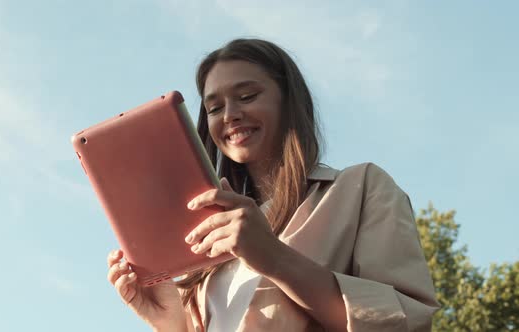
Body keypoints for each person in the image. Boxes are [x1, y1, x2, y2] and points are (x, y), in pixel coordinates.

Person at [106, 38, 440, 332]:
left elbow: (403, 323)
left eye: (247, 96)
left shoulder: (361, 187)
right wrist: (170, 322)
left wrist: (272, 257)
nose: (230, 115)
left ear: (288, 100)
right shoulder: (210, 230)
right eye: (214, 107)